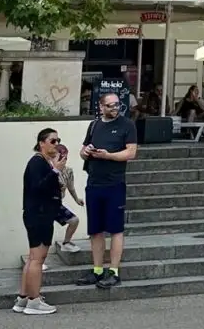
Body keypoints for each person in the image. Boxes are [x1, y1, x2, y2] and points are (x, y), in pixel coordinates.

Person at [76, 91, 138, 290]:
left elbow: (131, 152)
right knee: (95, 230)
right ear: (101, 107)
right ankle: (96, 270)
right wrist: (85, 152)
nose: (115, 108)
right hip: (94, 182)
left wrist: (108, 156)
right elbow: (83, 149)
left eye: (117, 104)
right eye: (110, 105)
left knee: (116, 229)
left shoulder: (127, 125)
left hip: (114, 183)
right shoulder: (94, 125)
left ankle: (114, 271)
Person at [13, 128, 64, 315]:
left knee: (33, 258)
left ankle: (23, 298)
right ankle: (34, 301)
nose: (56, 144)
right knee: (37, 259)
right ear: (42, 143)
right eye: (52, 141)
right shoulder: (37, 163)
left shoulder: (43, 162)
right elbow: (38, 188)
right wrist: (55, 172)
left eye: (58, 140)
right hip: (39, 214)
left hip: (39, 214)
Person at [54, 144, 84, 254]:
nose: (63, 160)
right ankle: (37, 259)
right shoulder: (48, 170)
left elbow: (70, 187)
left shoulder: (68, 171)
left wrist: (76, 199)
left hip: (56, 204)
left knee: (74, 220)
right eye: (60, 158)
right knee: (43, 232)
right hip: (44, 204)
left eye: (65, 158)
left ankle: (66, 243)